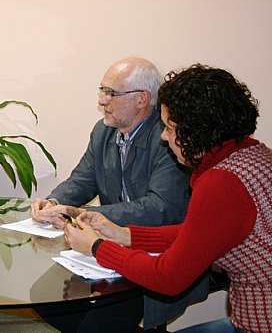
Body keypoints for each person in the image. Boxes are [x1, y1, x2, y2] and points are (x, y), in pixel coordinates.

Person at [65, 64, 272, 333]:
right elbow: (199, 234)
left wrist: (97, 247)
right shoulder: (254, 155)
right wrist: (123, 234)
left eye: (170, 128)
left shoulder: (220, 182)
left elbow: (167, 277)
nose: (164, 136)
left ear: (197, 131)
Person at [31, 58, 195, 332]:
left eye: (111, 93)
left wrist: (83, 215)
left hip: (156, 253)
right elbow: (82, 180)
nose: (102, 100)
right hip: (105, 248)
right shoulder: (103, 131)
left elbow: (161, 208)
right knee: (46, 298)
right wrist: (55, 203)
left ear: (142, 99)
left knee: (98, 324)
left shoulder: (167, 137)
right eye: (102, 91)